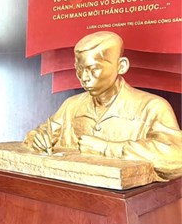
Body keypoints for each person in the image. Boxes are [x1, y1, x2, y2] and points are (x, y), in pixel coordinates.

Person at [24, 31, 182, 180]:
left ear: (121, 66)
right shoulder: (71, 106)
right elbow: (40, 134)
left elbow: (176, 156)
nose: (84, 77)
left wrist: (107, 149)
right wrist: (37, 139)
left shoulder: (152, 107)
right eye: (79, 69)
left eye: (93, 69)